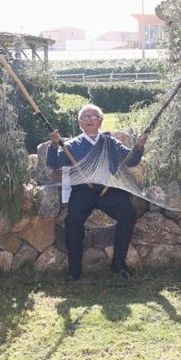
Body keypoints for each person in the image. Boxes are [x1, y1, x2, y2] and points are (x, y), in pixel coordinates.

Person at [47, 104, 146, 281]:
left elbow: (131, 161)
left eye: (94, 116)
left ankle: (118, 263)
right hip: (83, 191)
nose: (89, 119)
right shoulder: (71, 145)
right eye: (85, 117)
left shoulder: (110, 142)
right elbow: (53, 163)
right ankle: (74, 269)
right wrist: (54, 145)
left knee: (128, 213)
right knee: (73, 220)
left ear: (100, 121)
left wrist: (138, 146)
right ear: (80, 123)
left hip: (109, 189)